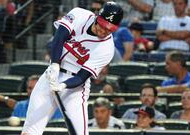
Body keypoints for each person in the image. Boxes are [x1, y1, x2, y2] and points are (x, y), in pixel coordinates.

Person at [21, 1, 123, 135]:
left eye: (109, 28)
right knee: (30, 130)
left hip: (74, 87)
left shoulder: (107, 49)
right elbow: (59, 38)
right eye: (103, 25)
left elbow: (81, 77)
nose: (104, 31)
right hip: (51, 74)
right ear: (97, 16)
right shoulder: (79, 14)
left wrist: (63, 85)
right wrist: (55, 65)